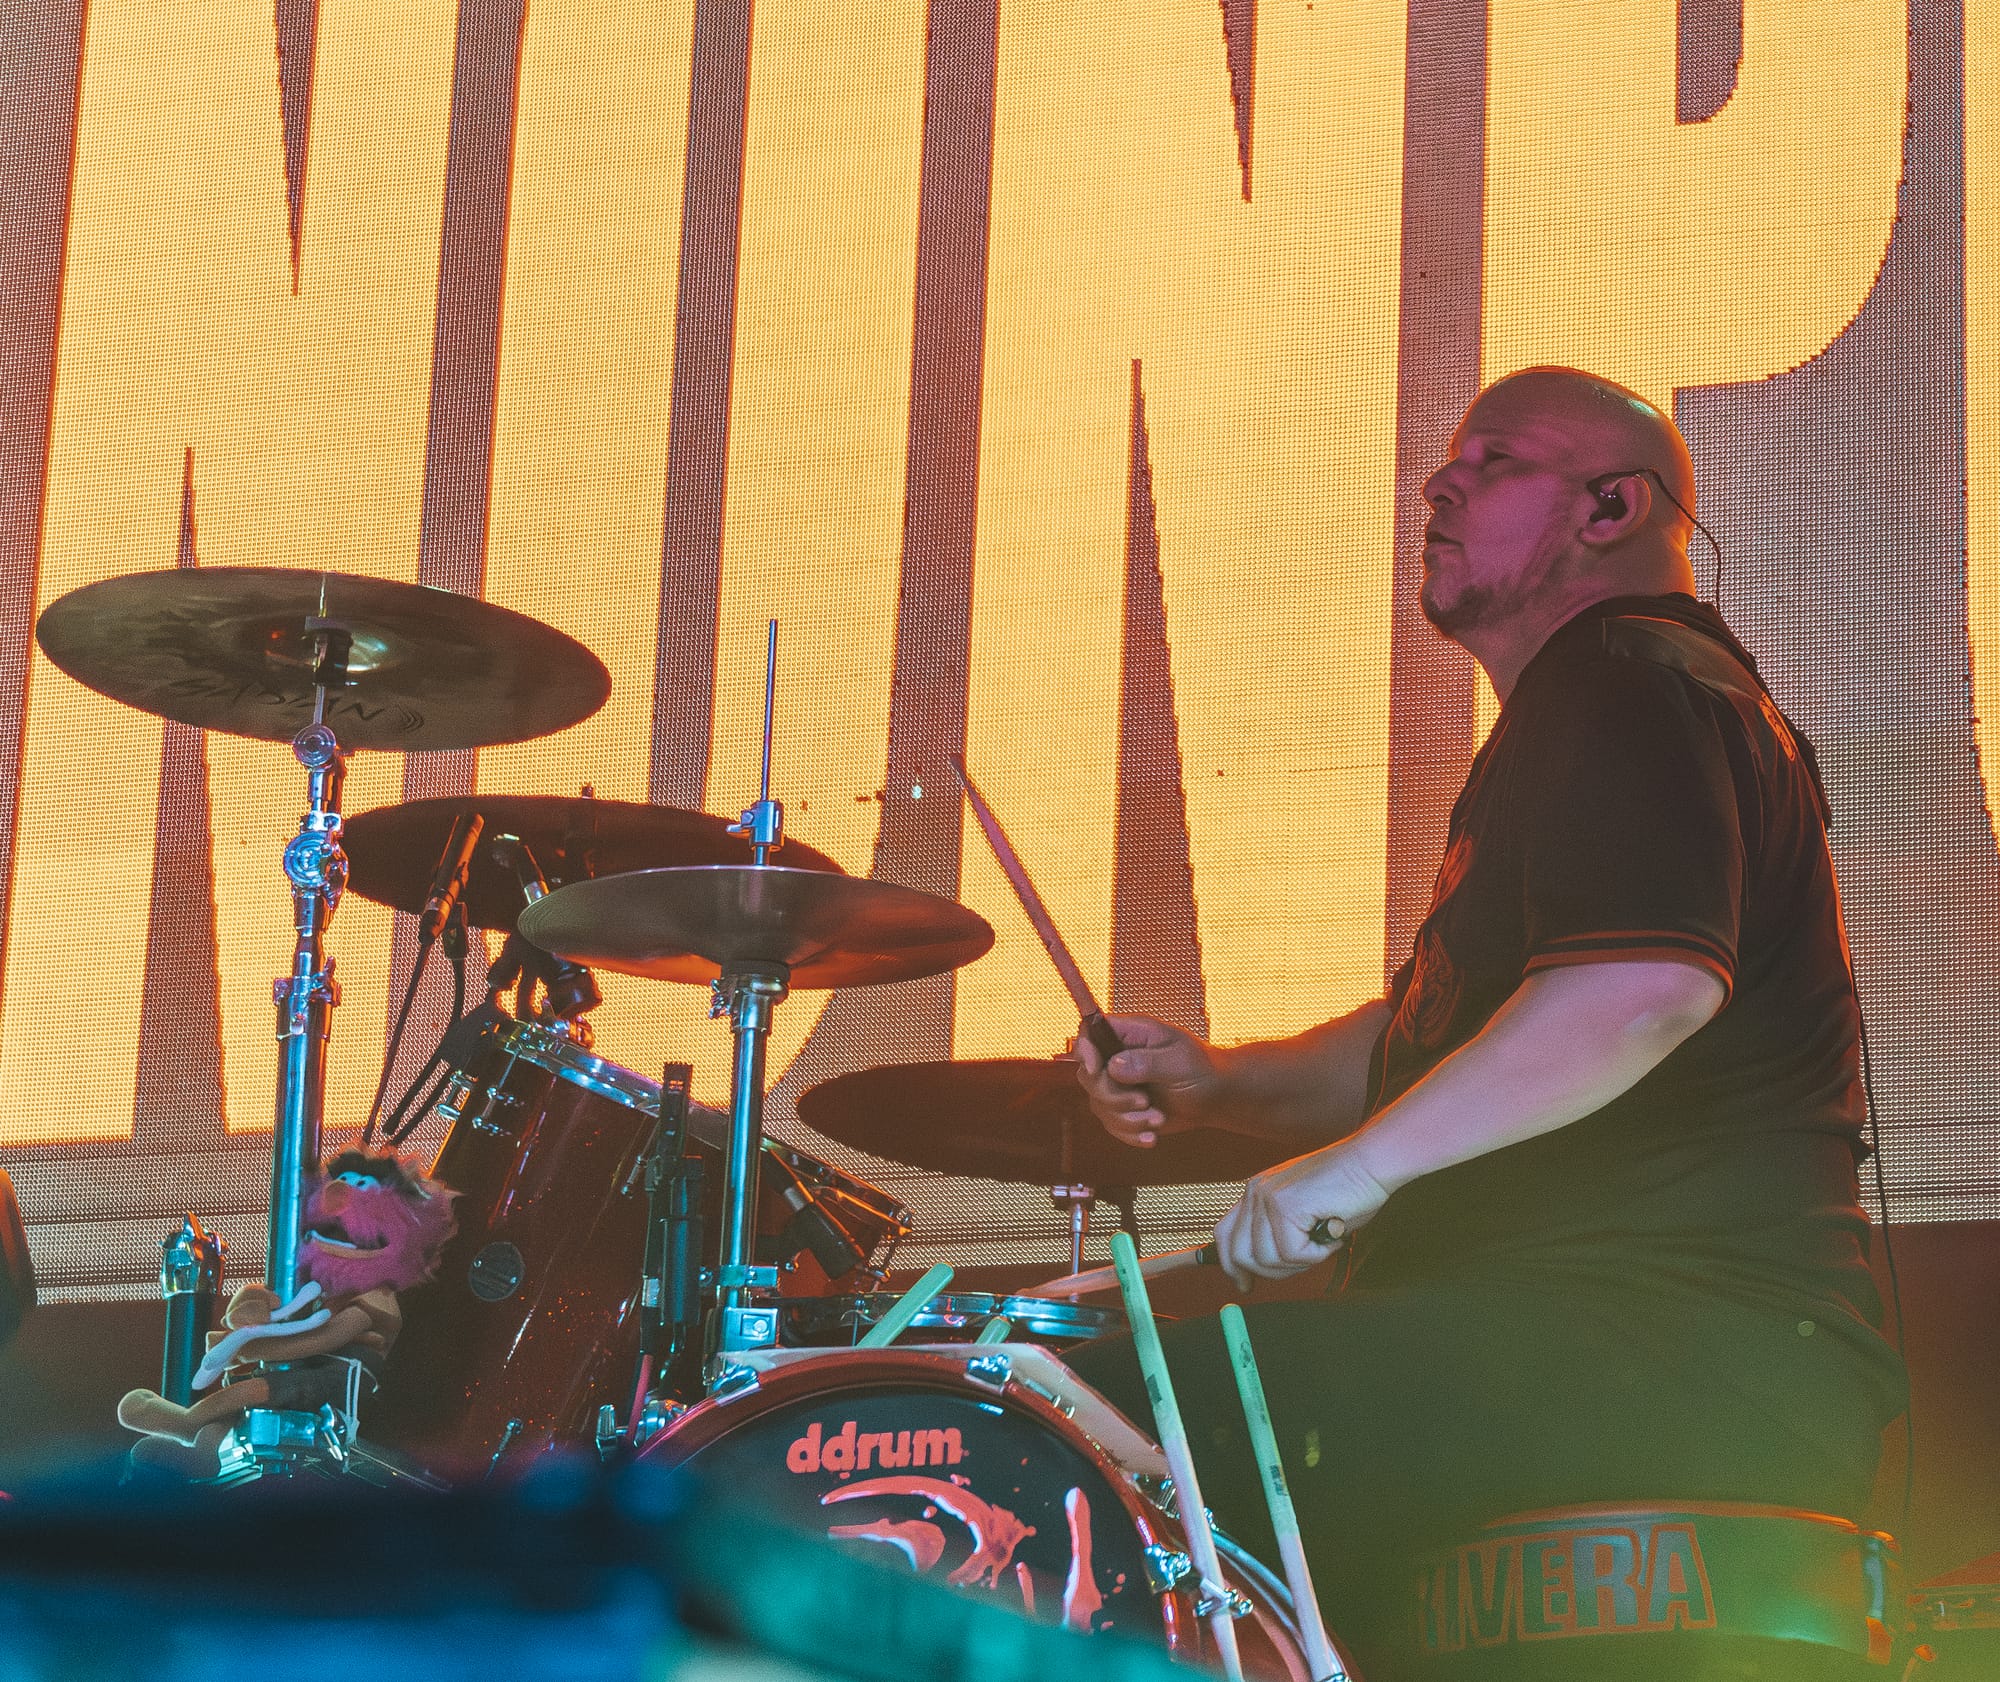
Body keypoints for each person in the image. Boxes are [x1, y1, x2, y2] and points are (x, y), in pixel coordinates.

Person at [1064, 367, 1908, 1673]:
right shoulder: (1601, 707)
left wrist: (1354, 1172)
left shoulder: (1623, 678)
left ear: (1613, 507)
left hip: (1664, 1345)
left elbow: (1642, 991)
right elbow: (1444, 1042)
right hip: (1643, 1351)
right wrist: (1222, 1084)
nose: (1438, 486)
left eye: (1493, 460)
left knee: (1077, 1422)